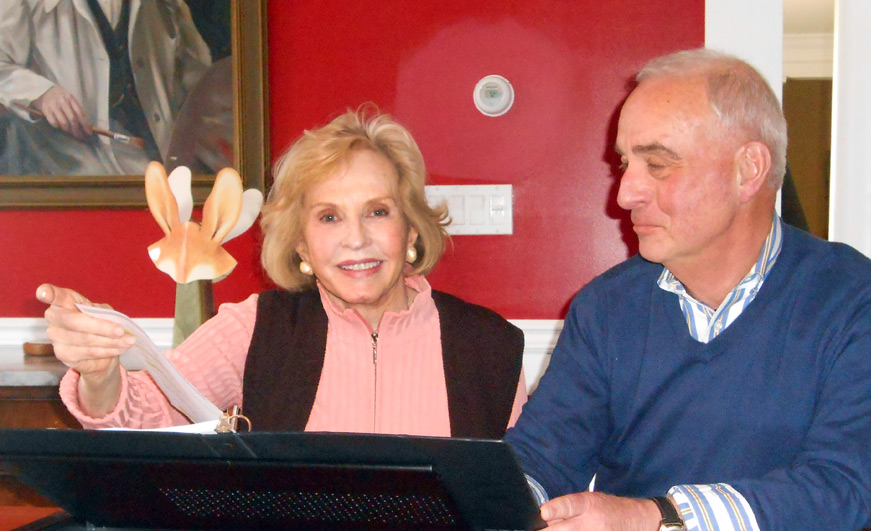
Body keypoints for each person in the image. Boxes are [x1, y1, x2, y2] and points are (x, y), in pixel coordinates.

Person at [505, 48, 871, 531]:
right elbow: (539, 461)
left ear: (748, 170)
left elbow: (835, 491)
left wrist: (657, 524)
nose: (624, 194)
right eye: (626, 164)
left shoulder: (864, 304)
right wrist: (497, 502)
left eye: (658, 164)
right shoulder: (605, 309)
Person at [38, 106, 528, 438]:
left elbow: (521, 496)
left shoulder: (489, 345)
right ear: (302, 245)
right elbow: (148, 414)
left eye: (378, 211)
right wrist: (99, 373)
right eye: (329, 217)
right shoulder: (255, 328)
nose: (355, 238)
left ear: (413, 230)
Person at [0, 0, 212, 175]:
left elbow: (200, 81)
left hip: (157, 153)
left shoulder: (165, 5)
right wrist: (42, 94)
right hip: (62, 163)